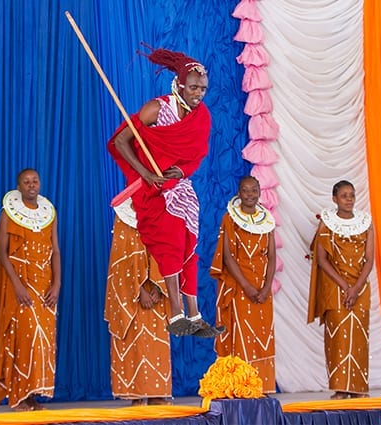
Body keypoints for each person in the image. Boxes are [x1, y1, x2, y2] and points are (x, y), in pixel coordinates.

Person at [108, 47, 222, 338]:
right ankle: (175, 312)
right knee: (171, 241)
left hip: (179, 186)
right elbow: (121, 141)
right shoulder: (157, 109)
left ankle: (194, 314)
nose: (199, 93)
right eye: (194, 87)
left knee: (189, 243)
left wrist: (181, 172)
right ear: (180, 84)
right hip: (152, 190)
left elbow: (196, 156)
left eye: (203, 89)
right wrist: (145, 173)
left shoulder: (202, 116)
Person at [0, 168, 61, 411]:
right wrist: (17, 285)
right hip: (19, 284)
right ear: (18, 187)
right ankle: (18, 396)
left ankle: (31, 395)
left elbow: (56, 250)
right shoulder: (9, 213)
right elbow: (2, 251)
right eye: (26, 182)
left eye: (35, 181)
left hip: (45, 286)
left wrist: (57, 284)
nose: (31, 185)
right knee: (23, 337)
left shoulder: (49, 212)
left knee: (43, 341)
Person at [307, 180, 374, 399]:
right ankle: (340, 389)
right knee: (337, 337)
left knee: (359, 337)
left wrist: (356, 288)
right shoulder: (326, 223)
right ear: (334, 199)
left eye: (352, 195)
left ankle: (358, 389)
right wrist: (346, 286)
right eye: (344, 195)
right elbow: (322, 259)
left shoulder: (366, 223)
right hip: (335, 288)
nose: (349, 199)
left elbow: (370, 259)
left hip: (360, 288)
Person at [210, 176, 277, 393]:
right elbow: (227, 258)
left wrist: (266, 288)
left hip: (262, 288)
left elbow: (272, 256)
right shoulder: (229, 219)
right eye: (245, 191)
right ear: (239, 193)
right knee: (241, 333)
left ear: (259, 192)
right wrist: (247, 287)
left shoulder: (267, 221)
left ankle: (262, 385)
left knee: (263, 335)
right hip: (239, 286)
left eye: (254, 190)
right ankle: (242, 386)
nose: (250, 195)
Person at [104, 199, 173, 406]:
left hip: (157, 293)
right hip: (132, 295)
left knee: (156, 342)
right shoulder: (123, 218)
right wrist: (139, 289)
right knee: (134, 342)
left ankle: (157, 394)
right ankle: (136, 395)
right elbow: (120, 259)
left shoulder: (163, 213)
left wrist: (159, 288)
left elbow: (167, 252)